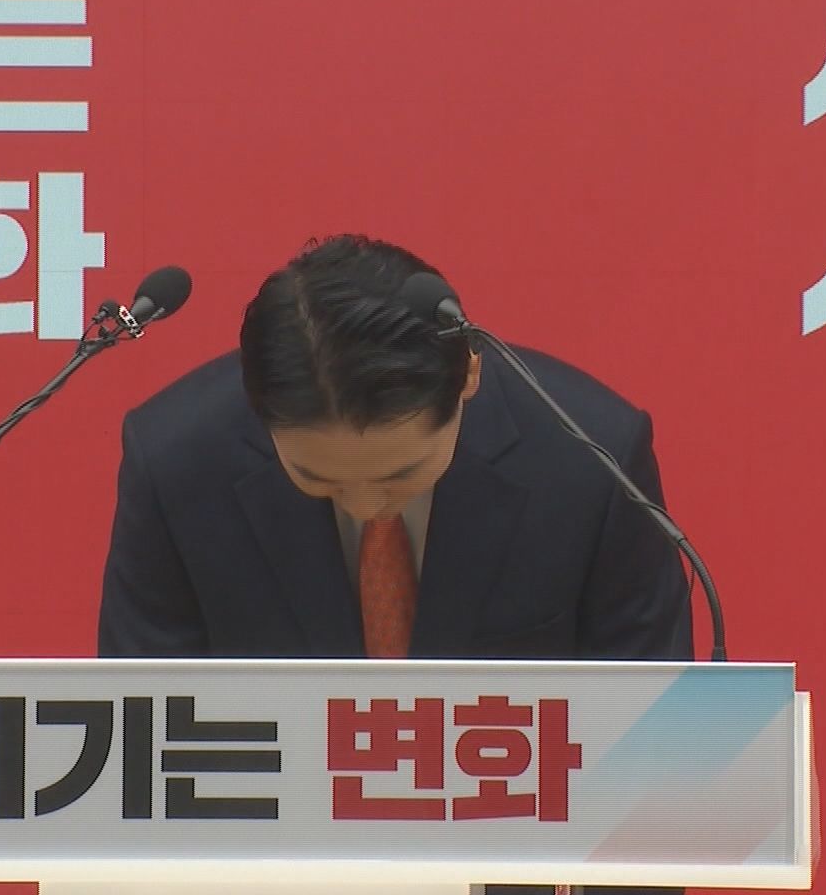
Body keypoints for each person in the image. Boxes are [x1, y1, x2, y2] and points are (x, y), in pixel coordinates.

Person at [97, 234, 691, 894]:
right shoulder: (176, 461)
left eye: (401, 475)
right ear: (260, 415)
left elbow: (651, 752)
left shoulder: (592, 458)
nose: (366, 505)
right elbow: (139, 738)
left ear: (467, 377)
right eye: (319, 479)